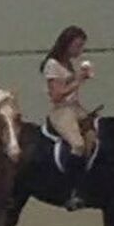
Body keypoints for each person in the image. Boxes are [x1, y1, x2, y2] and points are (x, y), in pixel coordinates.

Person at [41, 25, 95, 211]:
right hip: (62, 110)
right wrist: (78, 80)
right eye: (77, 46)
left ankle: (86, 183)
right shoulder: (53, 65)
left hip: (75, 108)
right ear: (67, 44)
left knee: (93, 138)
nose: (80, 51)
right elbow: (57, 95)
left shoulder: (68, 64)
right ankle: (69, 189)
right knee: (78, 145)